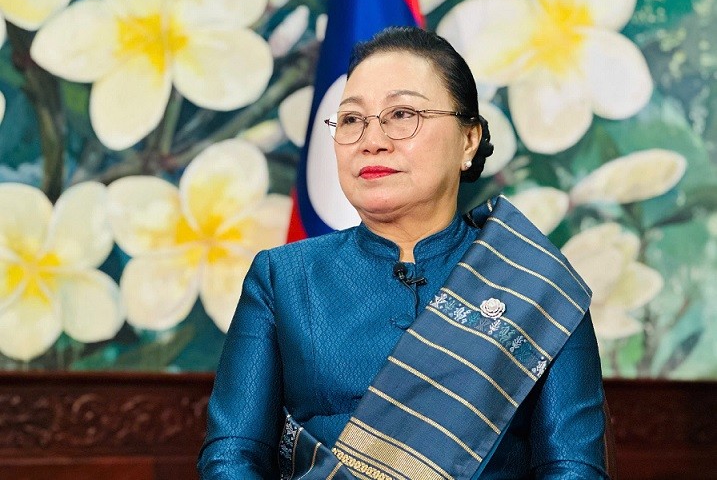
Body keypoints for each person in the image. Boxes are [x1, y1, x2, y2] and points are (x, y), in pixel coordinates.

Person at [198, 27, 609, 479]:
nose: (371, 140)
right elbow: (232, 457)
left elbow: (573, 469)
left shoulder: (538, 286)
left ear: (469, 140)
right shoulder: (284, 278)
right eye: (351, 120)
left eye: (402, 114)